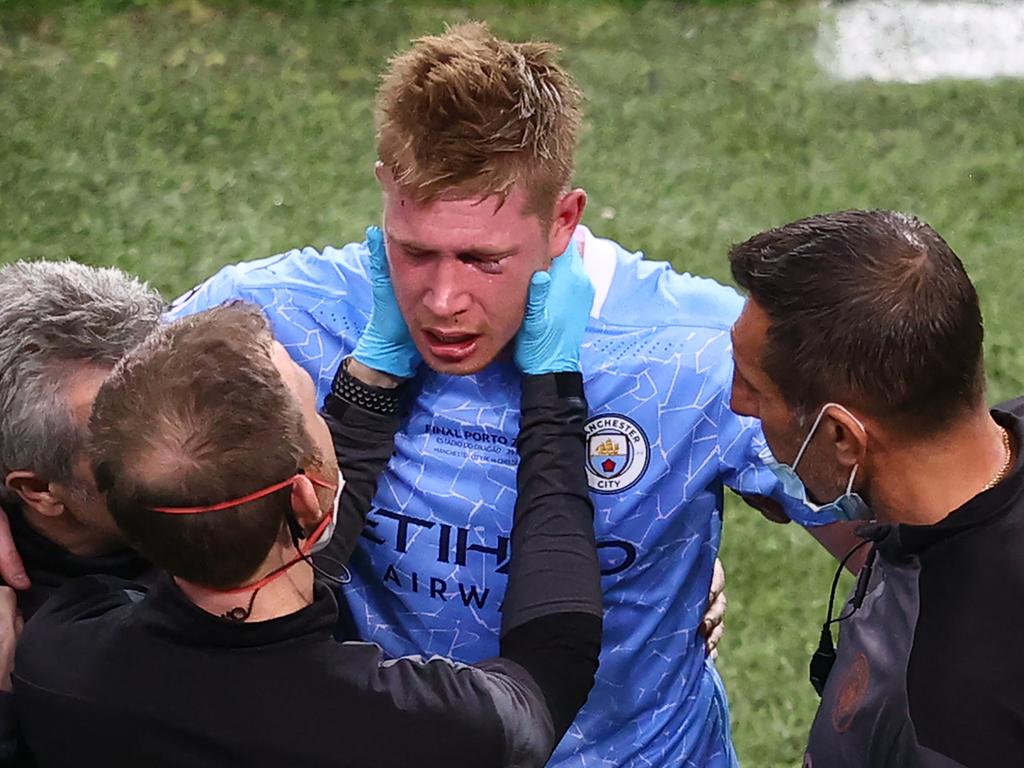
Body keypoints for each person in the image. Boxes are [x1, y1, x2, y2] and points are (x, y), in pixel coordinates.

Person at [156, 23, 851, 766]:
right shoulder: (280, 318)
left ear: (563, 220)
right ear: (387, 189)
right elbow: (80, 421)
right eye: (416, 251)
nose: (444, 299)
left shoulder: (698, 347)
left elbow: (895, 538)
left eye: (483, 259)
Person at [14, 253, 603, 768]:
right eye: (312, 412)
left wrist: (376, 376)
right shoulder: (432, 729)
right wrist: (553, 395)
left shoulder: (54, 654)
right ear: (304, 496)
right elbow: (554, 665)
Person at [728, 209, 1024, 767]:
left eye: (754, 389)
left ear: (842, 436)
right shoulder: (977, 473)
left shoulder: (948, 716)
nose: (735, 405)